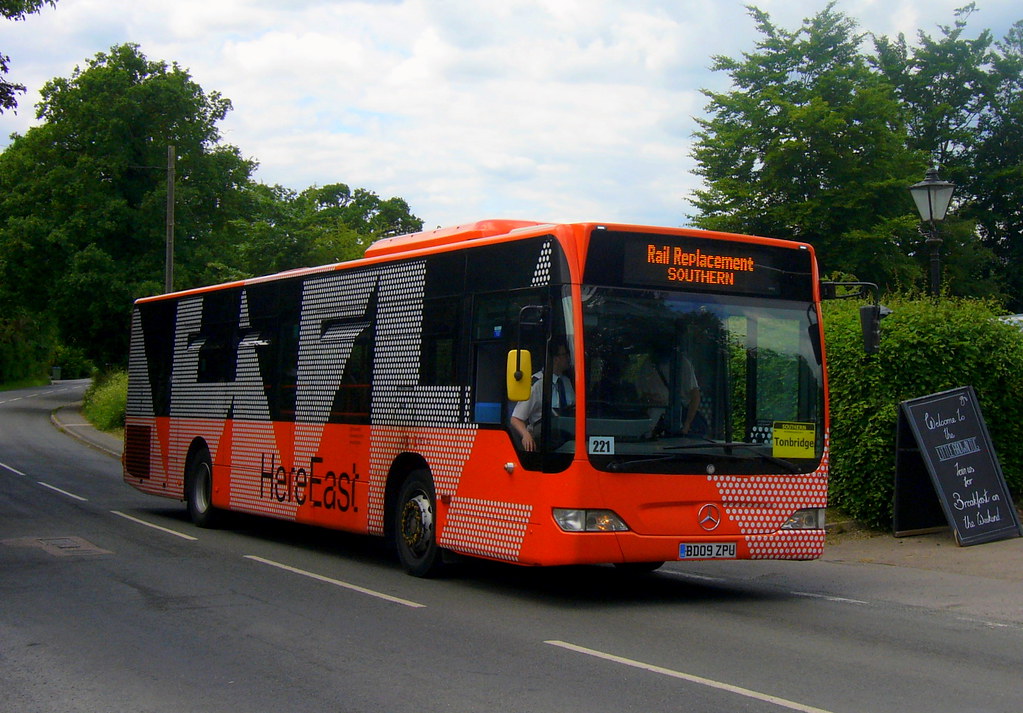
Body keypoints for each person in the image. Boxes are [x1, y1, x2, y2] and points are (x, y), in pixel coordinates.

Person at [510, 341, 574, 452]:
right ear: (555, 359)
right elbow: (516, 419)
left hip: (567, 437)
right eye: (565, 355)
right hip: (545, 439)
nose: (569, 358)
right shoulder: (537, 384)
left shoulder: (566, 382)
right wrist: (526, 435)